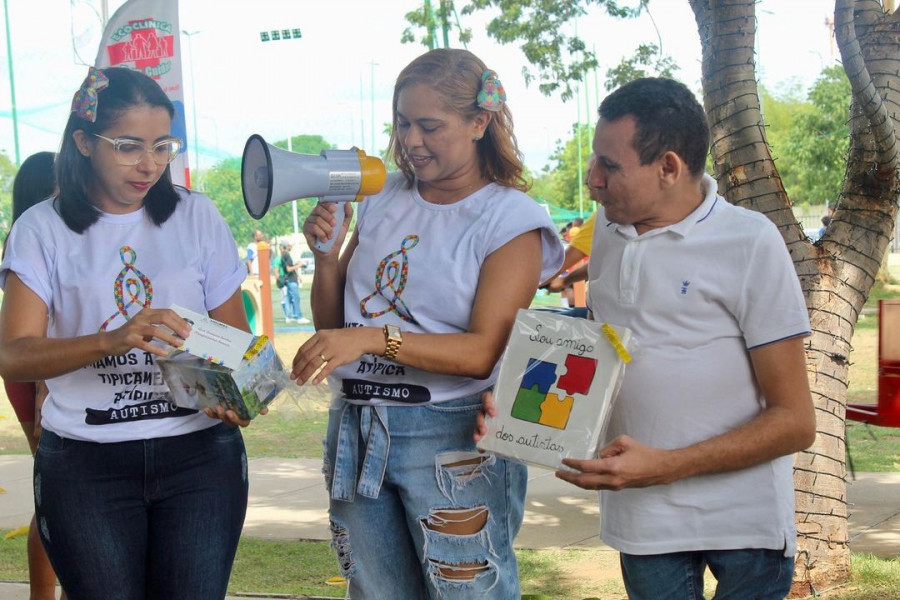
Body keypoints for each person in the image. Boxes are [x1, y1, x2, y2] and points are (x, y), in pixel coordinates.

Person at [292, 48, 564, 598]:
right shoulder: (383, 196)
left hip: (451, 433)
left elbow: (483, 353)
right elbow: (335, 324)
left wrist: (372, 338)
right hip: (358, 424)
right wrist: (326, 259)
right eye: (401, 124)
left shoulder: (511, 219)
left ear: (479, 122)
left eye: (429, 126)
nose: (410, 141)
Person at [555, 77, 816, 599]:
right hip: (644, 523)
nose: (591, 180)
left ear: (669, 168)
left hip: (744, 526)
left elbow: (796, 422)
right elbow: (602, 349)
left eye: (609, 165)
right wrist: (523, 402)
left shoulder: (750, 241)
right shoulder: (607, 230)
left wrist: (667, 467)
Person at [0, 66, 252, 600]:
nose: (151, 164)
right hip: (86, 464)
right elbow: (14, 356)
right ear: (84, 142)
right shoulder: (41, 229)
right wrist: (112, 339)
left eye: (163, 146)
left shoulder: (197, 216)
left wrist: (239, 391)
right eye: (129, 146)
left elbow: (238, 343)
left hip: (200, 459)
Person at [3, 150, 65, 600]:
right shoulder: (36, 235)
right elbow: (36, 332)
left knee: (55, 494)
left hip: (34, 373)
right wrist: (45, 390)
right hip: (38, 374)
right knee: (56, 495)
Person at [280, 239, 310, 324]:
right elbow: (288, 269)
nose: (291, 246)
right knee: (295, 298)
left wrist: (298, 275)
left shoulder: (286, 254)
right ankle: (298, 316)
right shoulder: (286, 255)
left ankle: (289, 316)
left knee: (289, 298)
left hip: (291, 279)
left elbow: (291, 266)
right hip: (290, 280)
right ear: (287, 246)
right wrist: (299, 265)